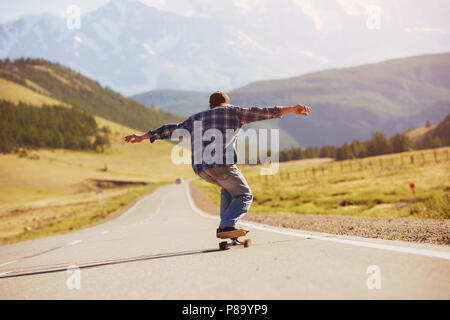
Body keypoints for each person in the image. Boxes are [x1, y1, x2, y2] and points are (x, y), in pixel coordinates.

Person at [125, 91, 311, 238]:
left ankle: (226, 226)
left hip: (200, 169)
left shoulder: (195, 118)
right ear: (226, 104)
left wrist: (143, 136)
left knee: (228, 189)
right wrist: (292, 109)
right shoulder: (234, 112)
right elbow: (263, 112)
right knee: (245, 195)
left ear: (210, 106)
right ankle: (227, 224)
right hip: (222, 164)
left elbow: (169, 129)